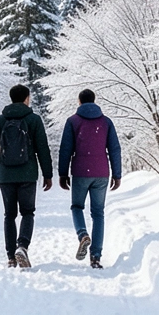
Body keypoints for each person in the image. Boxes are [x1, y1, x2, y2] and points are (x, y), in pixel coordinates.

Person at [0, 84, 52, 269]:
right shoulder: (34, 120)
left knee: (9, 215)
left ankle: (10, 257)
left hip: (5, 174)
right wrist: (48, 175)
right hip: (28, 173)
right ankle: (22, 246)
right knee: (28, 212)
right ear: (26, 98)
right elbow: (42, 149)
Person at [57, 88, 121, 269]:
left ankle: (83, 234)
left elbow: (65, 149)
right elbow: (115, 148)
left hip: (80, 172)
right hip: (101, 172)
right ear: (94, 101)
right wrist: (117, 174)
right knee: (98, 213)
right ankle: (95, 257)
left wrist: (63, 173)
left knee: (77, 207)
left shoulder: (72, 121)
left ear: (79, 102)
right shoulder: (106, 122)